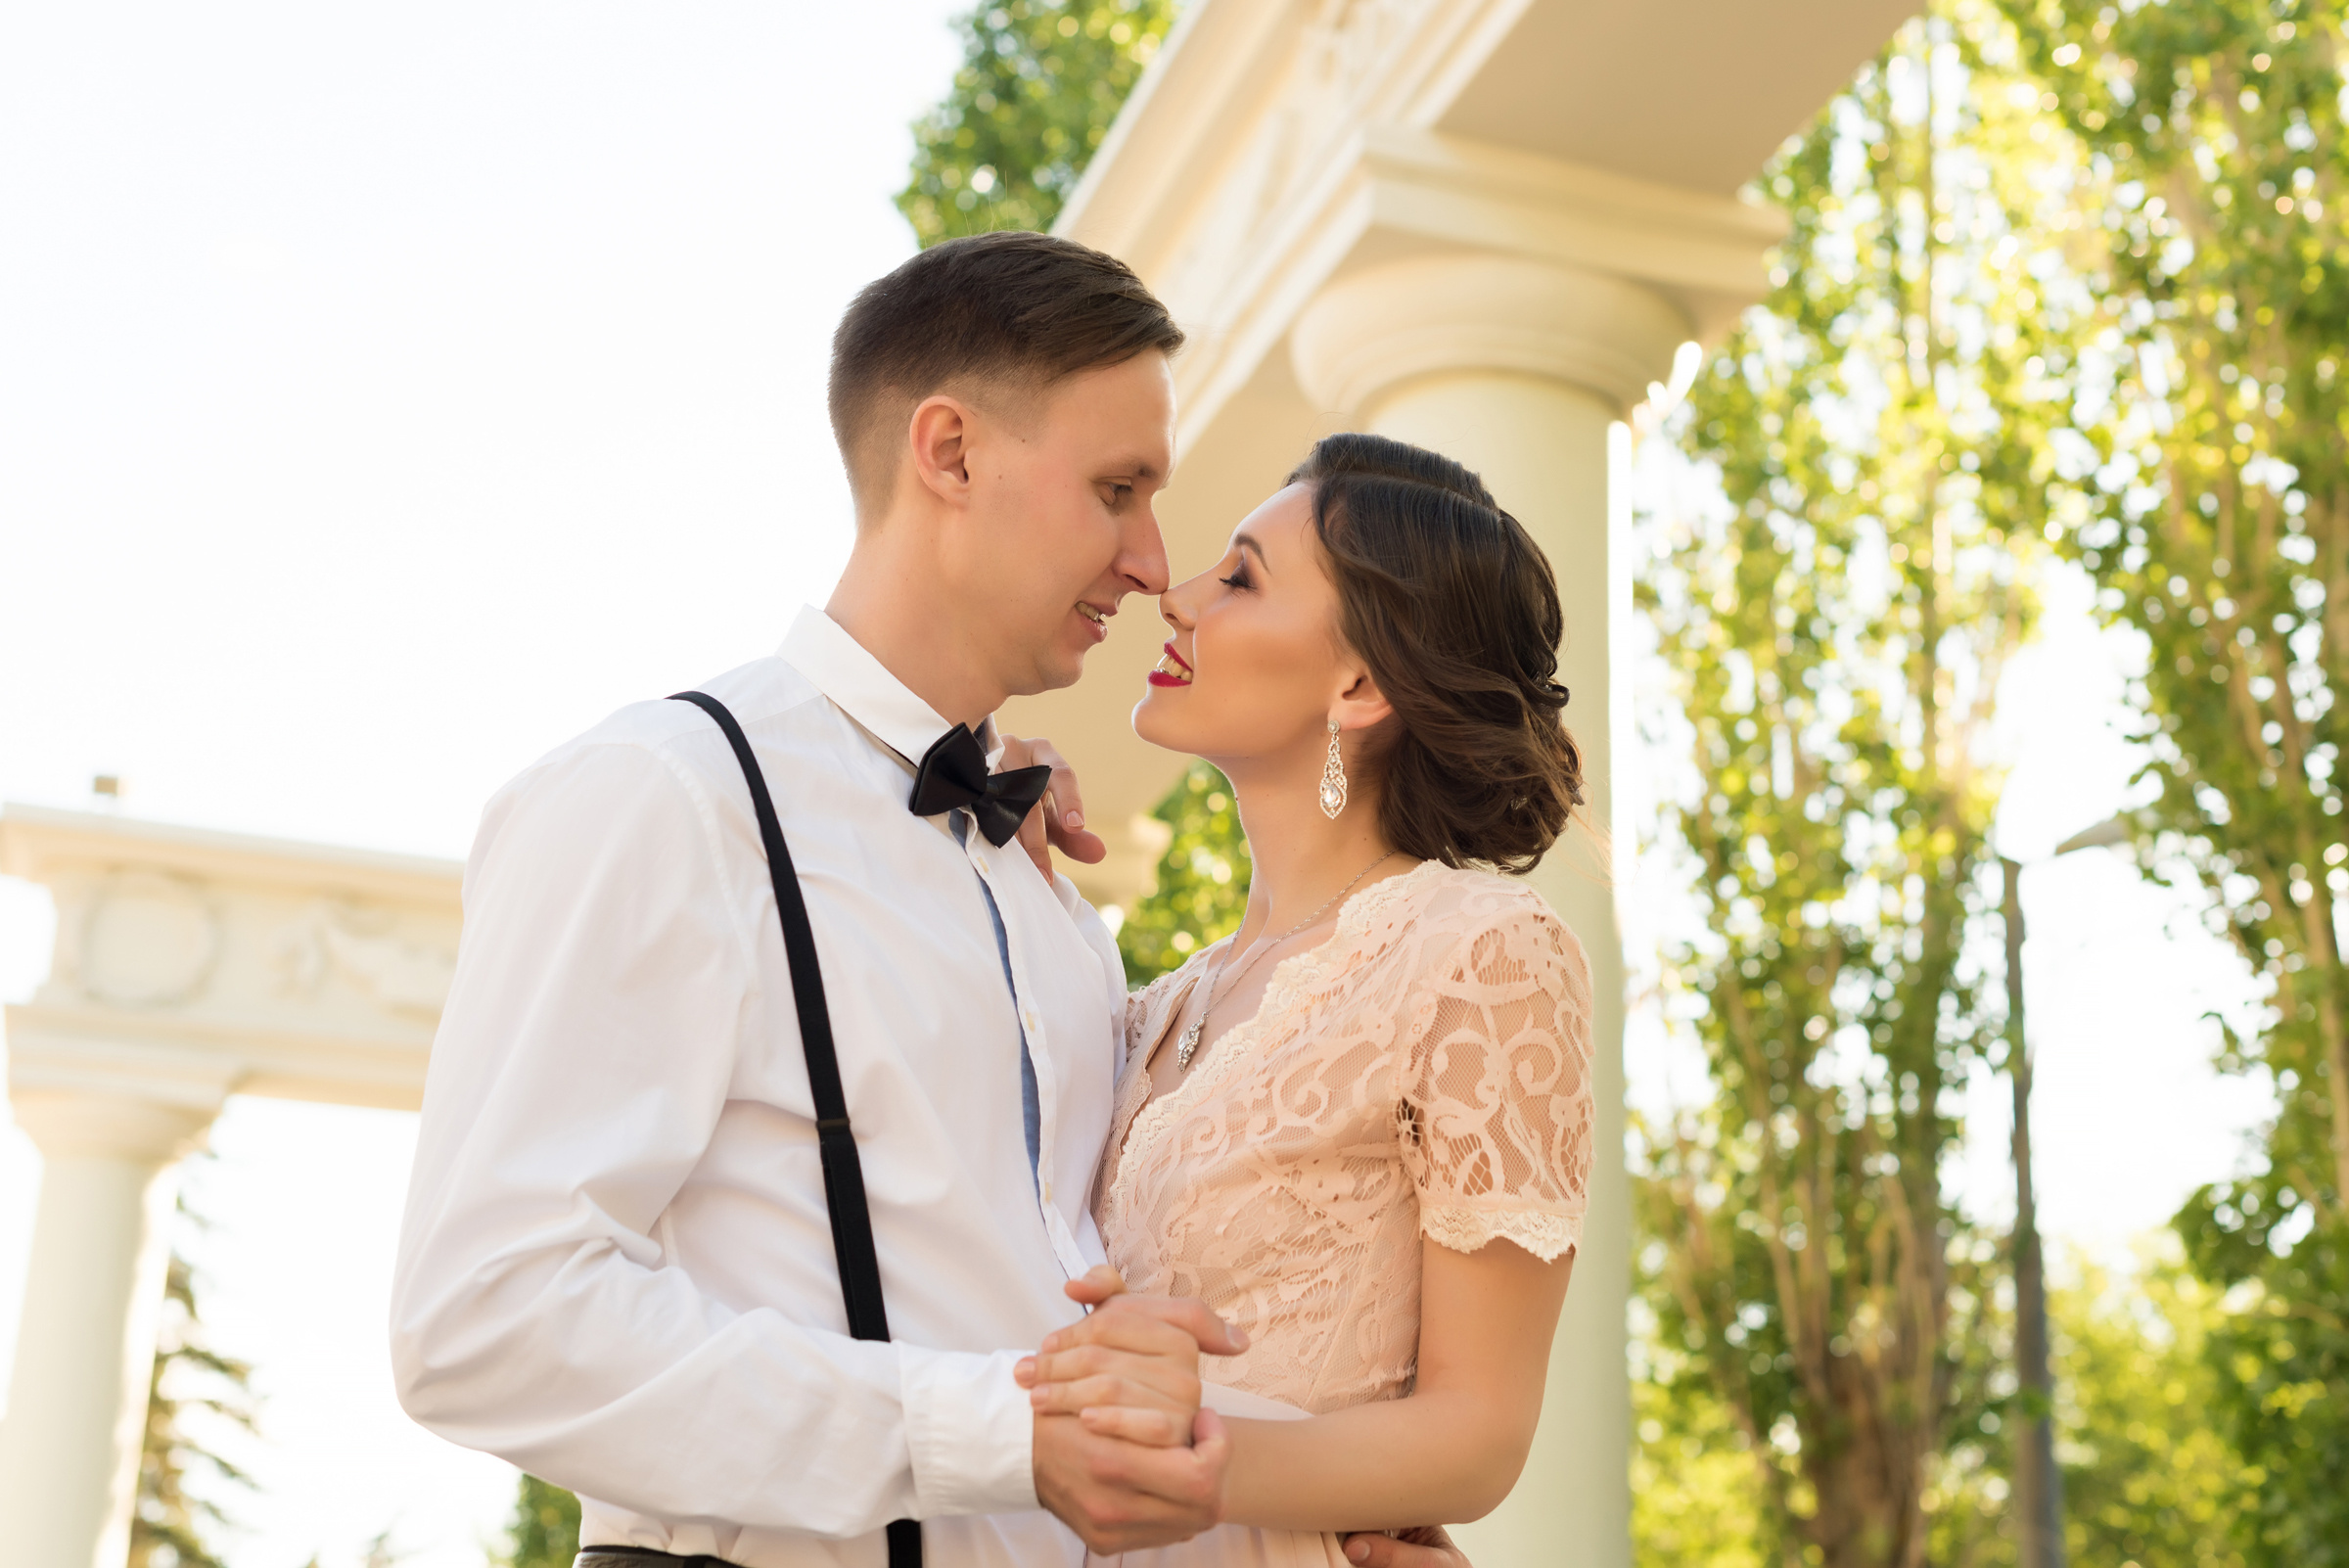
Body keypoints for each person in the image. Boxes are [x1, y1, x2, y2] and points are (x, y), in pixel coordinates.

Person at [389, 231, 1465, 1568]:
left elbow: (1032, 1329)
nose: (1151, 562)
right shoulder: (665, 794)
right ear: (949, 453)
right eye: (1117, 489)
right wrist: (1002, 1432)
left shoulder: (1053, 900)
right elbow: (486, 1320)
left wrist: (1296, 1537)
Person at [1019, 434, 1596, 1566]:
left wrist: (1185, 1462)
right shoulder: (1152, 1004)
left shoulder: (1480, 953)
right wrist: (993, 857)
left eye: (1237, 579)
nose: (1176, 600)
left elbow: (1479, 1434)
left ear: (1361, 683)